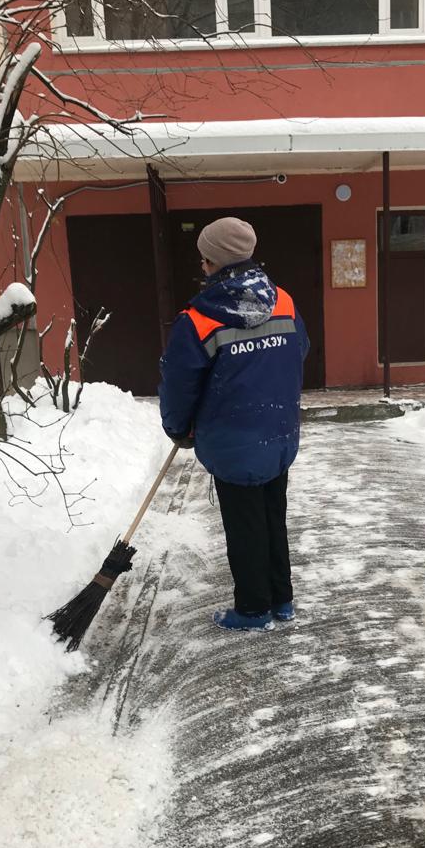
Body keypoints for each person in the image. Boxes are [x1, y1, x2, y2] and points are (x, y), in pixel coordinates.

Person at [158, 217, 310, 631]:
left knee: (245, 527)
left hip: (232, 441)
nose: (201, 265)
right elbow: (300, 349)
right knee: (272, 517)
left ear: (214, 262)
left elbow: (179, 384)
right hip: (278, 433)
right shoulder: (284, 301)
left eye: (204, 258)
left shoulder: (198, 319)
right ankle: (282, 600)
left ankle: (254, 609)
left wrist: (178, 428)